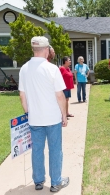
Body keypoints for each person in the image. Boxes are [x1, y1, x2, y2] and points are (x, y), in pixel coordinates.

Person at [18, 36, 69, 192]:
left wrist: (29, 113)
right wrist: (64, 115)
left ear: (34, 49)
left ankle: (38, 181)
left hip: (35, 119)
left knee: (37, 150)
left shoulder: (24, 68)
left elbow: (22, 95)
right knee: (55, 149)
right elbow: (60, 95)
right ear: (46, 50)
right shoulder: (52, 69)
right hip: (52, 118)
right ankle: (56, 182)